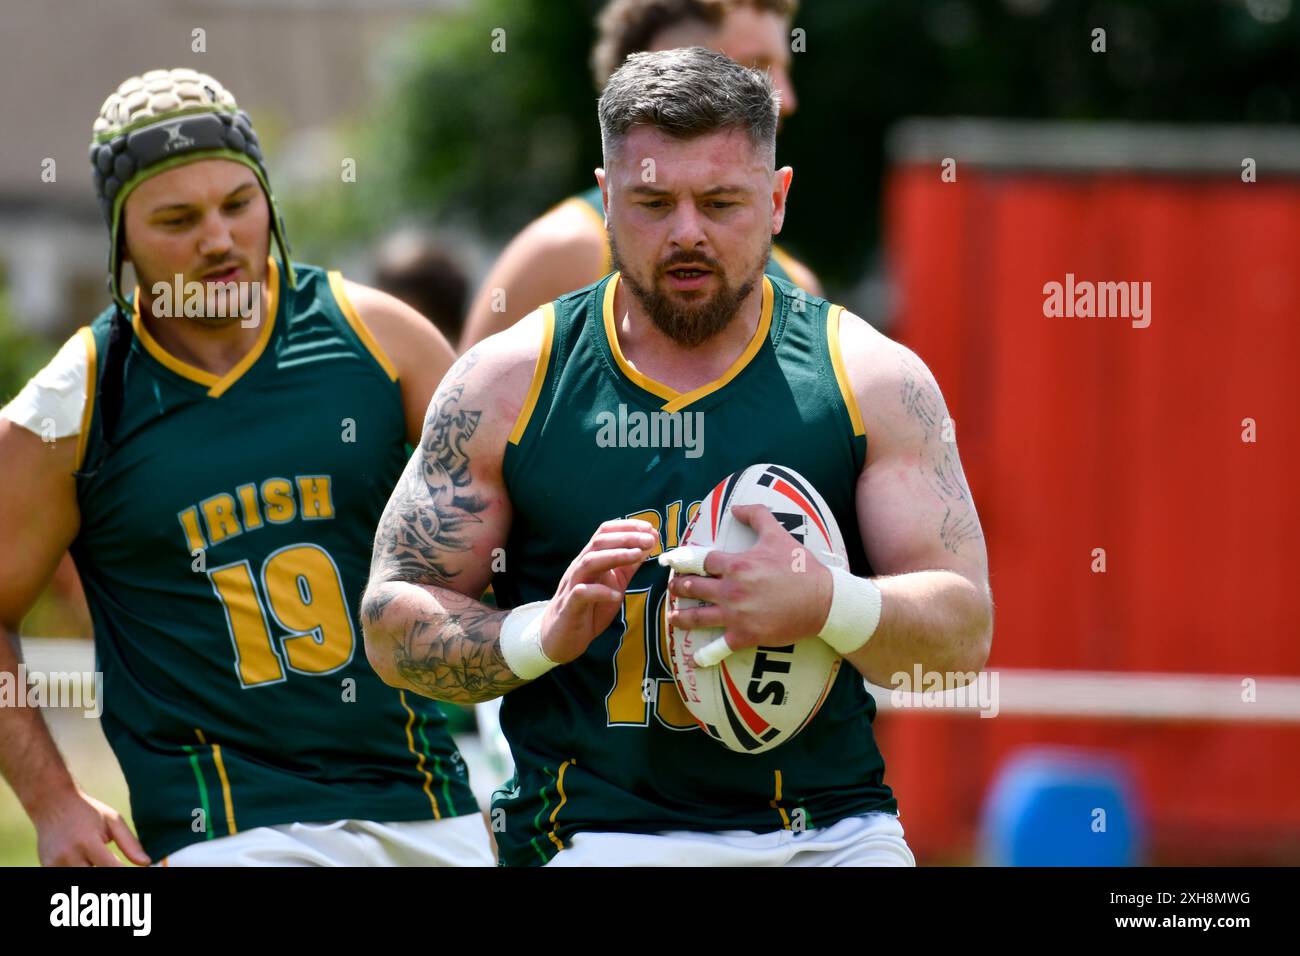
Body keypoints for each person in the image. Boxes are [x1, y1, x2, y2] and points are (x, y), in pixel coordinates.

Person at [362, 48, 992, 866]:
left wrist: (824, 601)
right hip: (594, 836)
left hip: (826, 834)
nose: (686, 231)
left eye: (721, 201)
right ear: (606, 199)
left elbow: (963, 635)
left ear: (777, 200)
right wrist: (539, 633)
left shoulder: (868, 377)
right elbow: (390, 621)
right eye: (653, 202)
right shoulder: (507, 383)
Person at [0, 68, 491, 866]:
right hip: (231, 836)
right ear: (120, 238)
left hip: (426, 804)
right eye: (177, 218)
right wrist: (51, 801)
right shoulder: (73, 407)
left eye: (238, 204)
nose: (218, 239)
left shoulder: (381, 341)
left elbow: (517, 530)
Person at [458, 0, 818, 351]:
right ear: (670, 63)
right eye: (757, 67)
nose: (786, 99)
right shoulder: (565, 251)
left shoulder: (798, 284)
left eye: (720, 204)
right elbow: (467, 401)